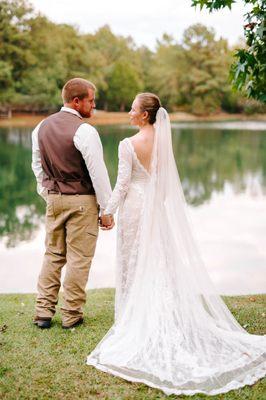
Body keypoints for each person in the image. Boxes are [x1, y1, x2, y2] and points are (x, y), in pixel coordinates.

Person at [87, 93, 266, 396]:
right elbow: (165, 185)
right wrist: (156, 205)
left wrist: (107, 212)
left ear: (144, 115)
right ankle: (158, 314)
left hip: (133, 210)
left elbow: (122, 184)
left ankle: (134, 322)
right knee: (159, 260)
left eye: (133, 109)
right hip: (156, 209)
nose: (129, 113)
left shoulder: (127, 144)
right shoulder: (164, 141)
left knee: (133, 261)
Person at [31, 78, 114, 329]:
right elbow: (98, 174)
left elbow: (37, 167)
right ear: (76, 101)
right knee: (79, 259)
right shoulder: (85, 131)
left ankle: (43, 312)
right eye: (91, 100)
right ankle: (71, 314)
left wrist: (49, 195)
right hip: (83, 202)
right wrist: (106, 210)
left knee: (53, 255)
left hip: (54, 199)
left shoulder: (40, 128)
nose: (94, 105)